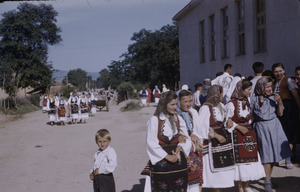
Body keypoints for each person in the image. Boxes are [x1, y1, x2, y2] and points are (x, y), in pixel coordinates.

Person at [250, 76, 292, 192]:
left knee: (273, 155)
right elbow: (250, 116)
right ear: (261, 87)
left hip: (274, 126)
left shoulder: (275, 97)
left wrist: (279, 102)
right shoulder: (254, 99)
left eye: (270, 86)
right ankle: (267, 181)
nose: (270, 89)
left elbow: (280, 113)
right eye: (267, 86)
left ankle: (268, 178)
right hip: (261, 128)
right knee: (266, 155)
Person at [144, 90, 192, 192]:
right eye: (172, 104)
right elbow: (151, 143)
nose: (175, 107)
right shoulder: (155, 120)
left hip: (178, 160)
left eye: (176, 104)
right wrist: (167, 157)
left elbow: (187, 138)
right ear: (164, 104)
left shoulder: (178, 119)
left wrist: (180, 147)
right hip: (161, 161)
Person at [225, 79, 265, 192]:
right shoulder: (231, 104)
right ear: (240, 90)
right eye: (248, 90)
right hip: (237, 134)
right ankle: (240, 187)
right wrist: (239, 127)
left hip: (248, 133)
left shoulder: (247, 101)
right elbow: (227, 122)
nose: (250, 92)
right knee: (240, 161)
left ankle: (247, 185)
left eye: (250, 89)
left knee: (250, 159)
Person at [197, 85, 235, 191]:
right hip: (212, 142)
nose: (222, 96)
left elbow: (225, 120)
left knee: (222, 171)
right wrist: (216, 136)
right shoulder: (205, 108)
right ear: (217, 94)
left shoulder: (221, 106)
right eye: (221, 93)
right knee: (214, 172)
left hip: (223, 140)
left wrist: (229, 120)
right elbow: (202, 127)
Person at [272, 63, 300, 166]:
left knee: (290, 133)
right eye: (276, 71)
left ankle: (288, 158)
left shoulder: (288, 81)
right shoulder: (274, 82)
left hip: (289, 108)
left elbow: (296, 96)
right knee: (282, 133)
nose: (278, 73)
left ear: (284, 71)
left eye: (280, 71)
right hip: (279, 109)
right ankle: (285, 156)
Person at [177, 90, 203, 192]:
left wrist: (198, 141)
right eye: (186, 101)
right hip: (184, 149)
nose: (189, 104)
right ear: (178, 101)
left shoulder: (193, 112)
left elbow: (198, 128)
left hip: (195, 149)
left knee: (197, 177)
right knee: (185, 178)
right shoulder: (175, 115)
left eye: (191, 101)